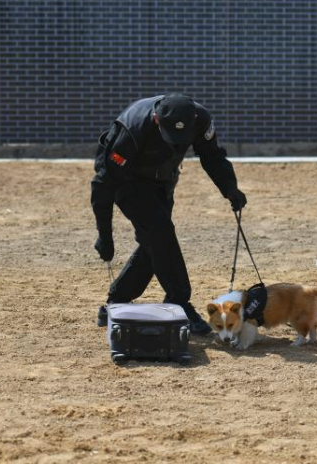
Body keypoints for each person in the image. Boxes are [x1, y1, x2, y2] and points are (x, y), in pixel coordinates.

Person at [91, 93, 247, 335]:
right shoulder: (133, 129)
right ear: (156, 120)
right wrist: (105, 235)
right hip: (128, 182)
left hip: (163, 181)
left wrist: (229, 188)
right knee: (160, 234)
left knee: (154, 242)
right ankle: (179, 301)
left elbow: (212, 155)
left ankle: (116, 300)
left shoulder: (201, 119)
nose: (176, 144)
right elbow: (104, 184)